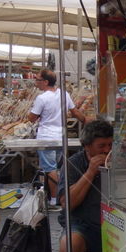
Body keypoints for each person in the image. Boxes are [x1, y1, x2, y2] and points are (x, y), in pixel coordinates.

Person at [55, 119, 113, 252]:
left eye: (110, 145)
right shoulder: (73, 164)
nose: (107, 151)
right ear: (87, 146)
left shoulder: (119, 160)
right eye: (101, 146)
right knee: (68, 245)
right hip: (84, 224)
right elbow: (66, 203)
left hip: (115, 223)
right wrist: (90, 172)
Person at [28, 70, 86, 205]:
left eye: (38, 80)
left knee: (50, 168)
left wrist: (32, 115)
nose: (36, 83)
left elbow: (32, 118)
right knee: (57, 167)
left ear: (46, 82)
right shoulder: (64, 94)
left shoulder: (42, 98)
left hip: (46, 137)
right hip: (61, 136)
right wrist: (85, 120)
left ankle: (54, 199)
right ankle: (58, 194)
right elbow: (75, 112)